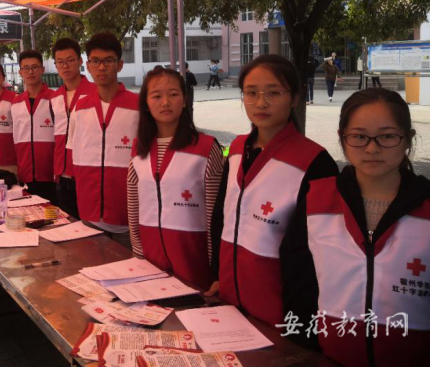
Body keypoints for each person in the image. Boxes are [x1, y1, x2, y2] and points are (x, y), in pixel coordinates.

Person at [210, 54, 338, 330]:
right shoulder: (236, 149)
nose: (261, 103)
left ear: (294, 98)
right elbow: (221, 216)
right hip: (231, 300)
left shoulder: (315, 162)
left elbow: (318, 254)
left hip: (281, 314)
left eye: (273, 93)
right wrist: (218, 275)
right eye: (251, 93)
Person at [306, 89, 429, 366]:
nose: (372, 149)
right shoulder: (314, 199)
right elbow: (299, 281)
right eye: (359, 137)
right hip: (330, 356)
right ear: (342, 138)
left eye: (387, 136)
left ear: (408, 138)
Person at [127, 67, 224, 290]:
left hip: (196, 268)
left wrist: (216, 271)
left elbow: (216, 216)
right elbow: (133, 207)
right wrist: (139, 256)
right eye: (156, 96)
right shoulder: (139, 149)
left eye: (173, 94)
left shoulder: (206, 148)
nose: (165, 102)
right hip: (150, 266)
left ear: (184, 100)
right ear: (146, 104)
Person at [68, 33, 138, 246]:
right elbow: (73, 152)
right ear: (88, 65)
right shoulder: (80, 108)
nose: (101, 67)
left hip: (129, 219)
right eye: (95, 61)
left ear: (120, 65)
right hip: (89, 216)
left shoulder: (138, 107)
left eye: (108, 61)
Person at [50, 38, 95, 219]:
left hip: (86, 173)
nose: (65, 66)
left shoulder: (95, 93)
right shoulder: (54, 97)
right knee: (67, 225)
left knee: (89, 226)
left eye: (70, 60)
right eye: (60, 62)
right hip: (61, 174)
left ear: (80, 61)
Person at [11, 50, 56, 203]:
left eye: (35, 67)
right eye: (26, 68)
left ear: (42, 69)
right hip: (25, 173)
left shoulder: (55, 99)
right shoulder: (16, 103)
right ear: (20, 72)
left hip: (50, 173)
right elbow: (16, 136)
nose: (30, 72)